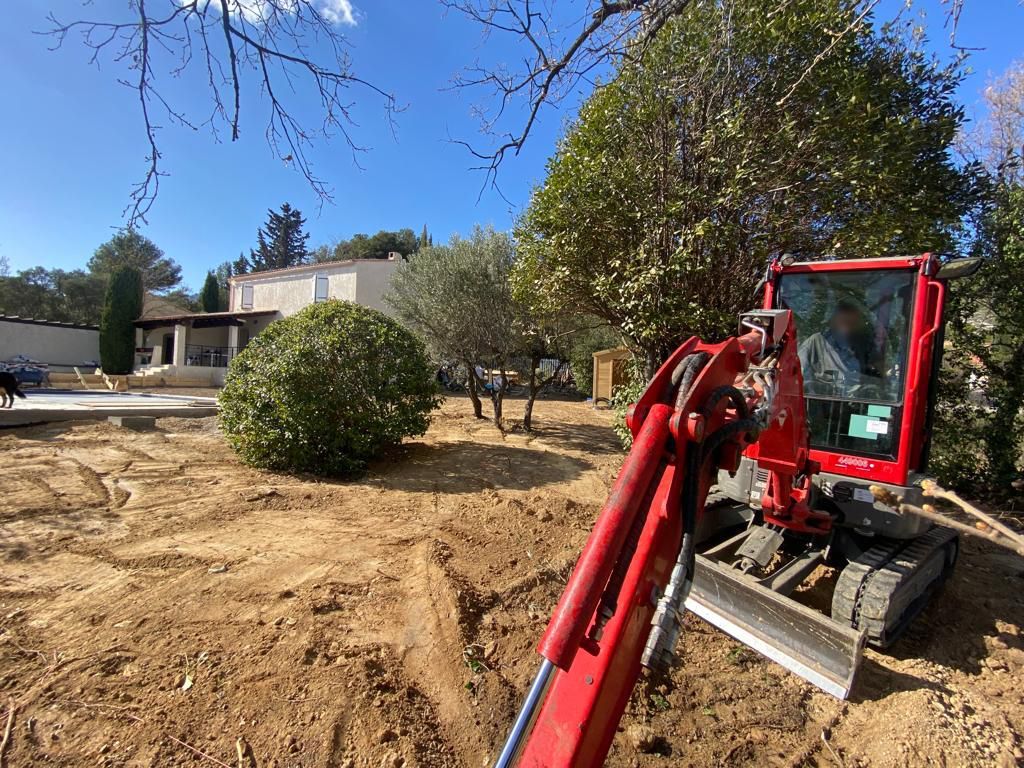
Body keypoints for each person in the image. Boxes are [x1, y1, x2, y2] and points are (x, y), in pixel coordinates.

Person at [798, 300, 863, 394]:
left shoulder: (863, 346)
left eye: (852, 323)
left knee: (881, 408)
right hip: (822, 404)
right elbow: (796, 375)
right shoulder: (816, 342)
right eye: (844, 322)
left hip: (860, 404)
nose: (847, 328)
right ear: (833, 321)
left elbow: (881, 379)